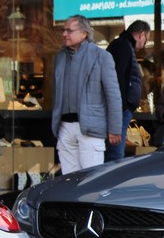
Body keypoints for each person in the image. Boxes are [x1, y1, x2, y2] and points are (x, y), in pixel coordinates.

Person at [52, 15, 122, 175]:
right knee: (68, 180)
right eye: (63, 30)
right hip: (64, 127)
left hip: (91, 128)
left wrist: (115, 128)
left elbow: (113, 94)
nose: (64, 34)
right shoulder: (60, 57)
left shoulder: (102, 56)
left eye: (69, 30)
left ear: (84, 33)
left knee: (90, 179)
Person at [105, 20, 150, 161]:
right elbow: (119, 80)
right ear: (141, 35)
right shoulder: (124, 46)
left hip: (119, 109)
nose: (143, 46)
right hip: (119, 111)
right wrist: (121, 109)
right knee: (115, 156)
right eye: (146, 41)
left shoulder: (121, 45)